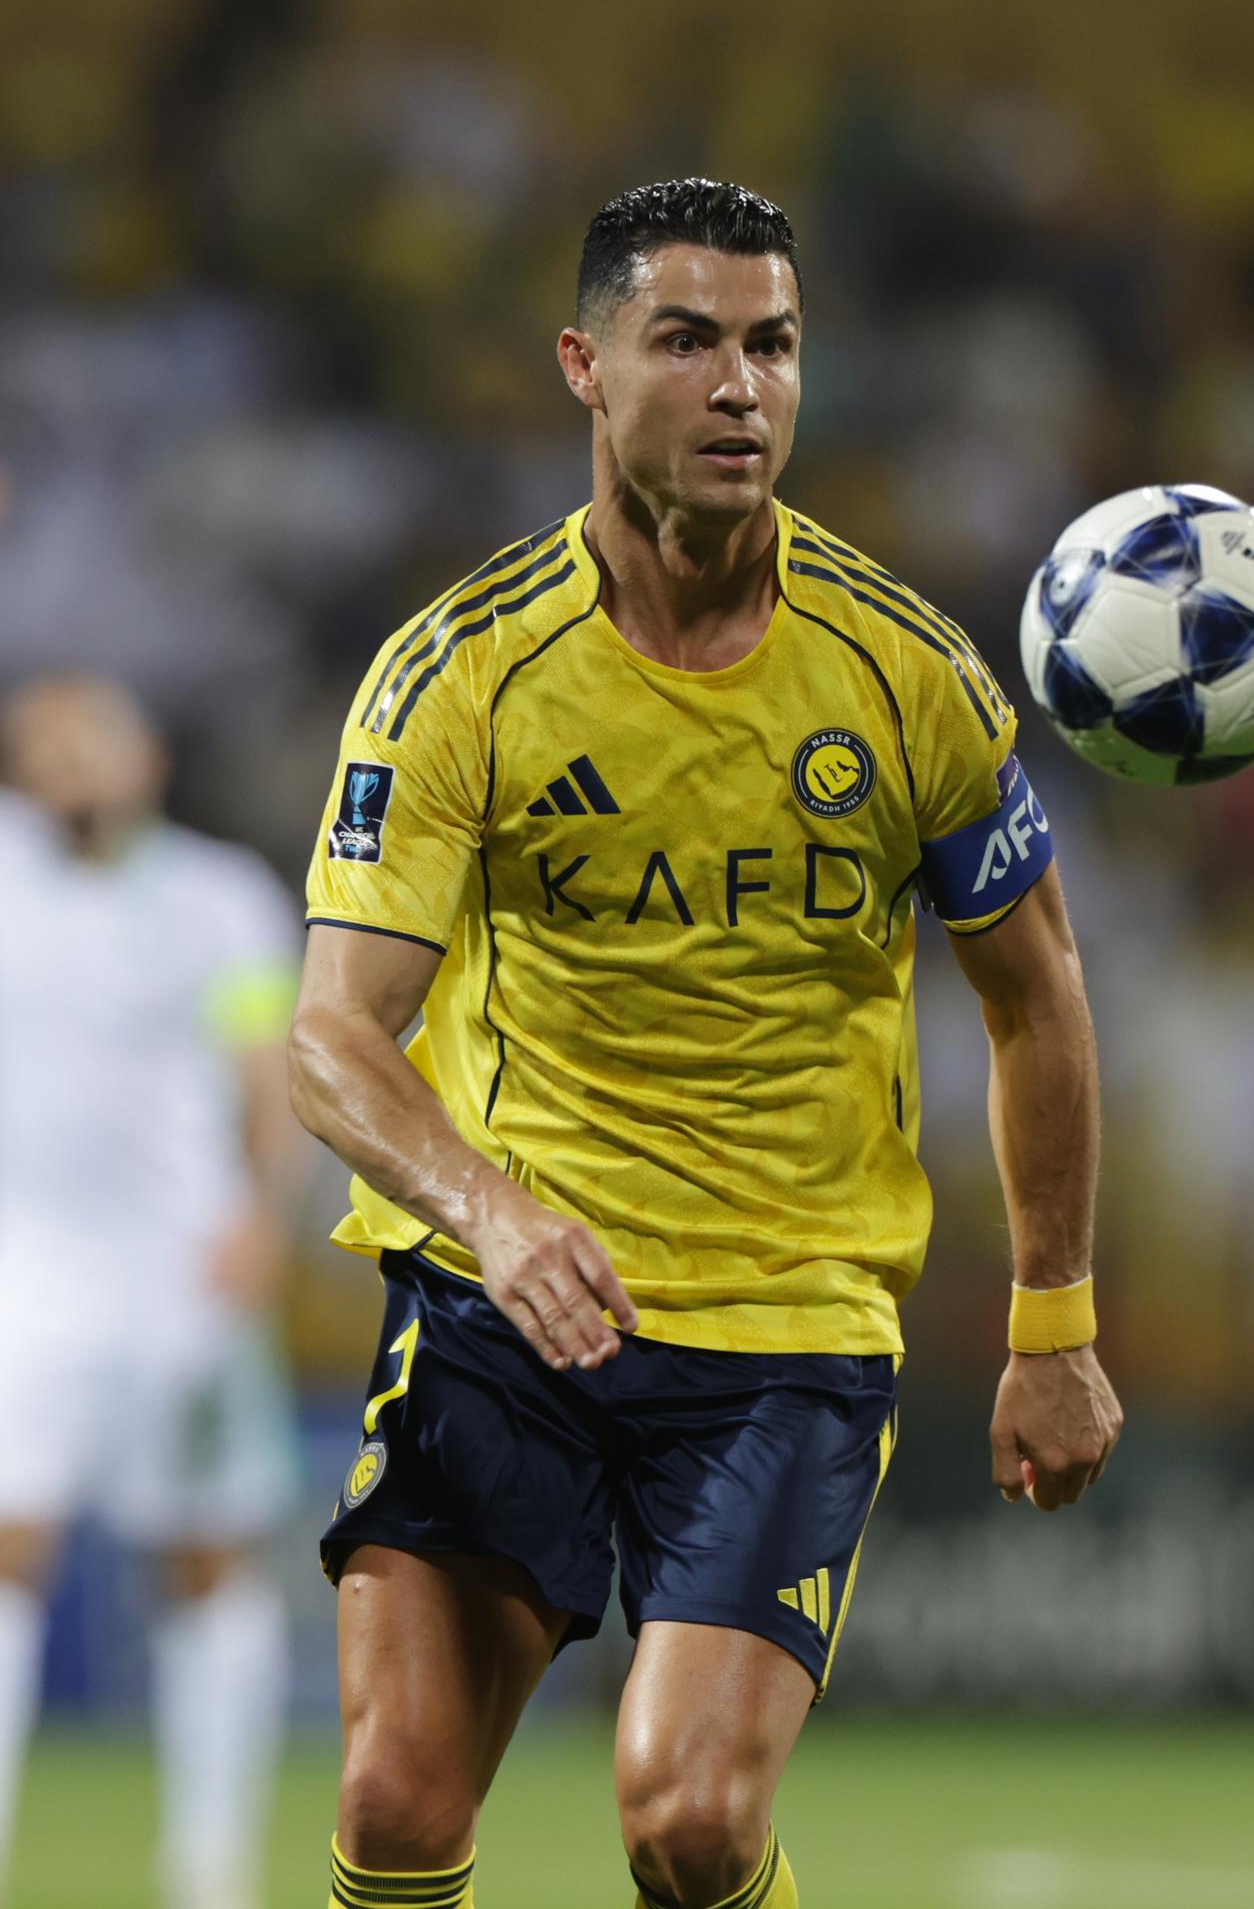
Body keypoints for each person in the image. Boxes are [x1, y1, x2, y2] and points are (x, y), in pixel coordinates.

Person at [291, 177, 1123, 1909]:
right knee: (391, 1798)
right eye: (690, 342)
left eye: (773, 346)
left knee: (689, 1828)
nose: (741, 386)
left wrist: (1053, 1320)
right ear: (587, 368)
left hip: (785, 1321)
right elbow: (331, 1041)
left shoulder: (906, 676)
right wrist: (490, 1214)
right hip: (507, 1302)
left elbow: (1035, 987)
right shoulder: (462, 675)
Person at [0, 673, 302, 1909]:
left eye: (91, 742)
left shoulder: (220, 900)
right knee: (9, 1549)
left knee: (207, 1562)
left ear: (152, 758)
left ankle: (210, 1872)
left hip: (185, 1273)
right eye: (42, 745)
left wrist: (262, 1217)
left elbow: (265, 1067)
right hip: (24, 1271)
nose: (68, 762)